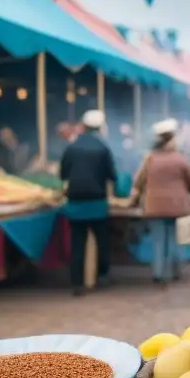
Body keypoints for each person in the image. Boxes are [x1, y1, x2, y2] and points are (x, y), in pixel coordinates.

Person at [131, 118, 190, 284]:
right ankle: (172, 271)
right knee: (172, 238)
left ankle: (158, 273)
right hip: (176, 205)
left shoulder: (149, 159)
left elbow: (139, 181)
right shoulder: (180, 159)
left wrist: (136, 197)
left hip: (154, 205)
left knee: (158, 239)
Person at [59, 110, 117, 295]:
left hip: (75, 202)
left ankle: (77, 283)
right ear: (100, 128)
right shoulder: (103, 148)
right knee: (102, 240)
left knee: (78, 243)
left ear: (83, 127)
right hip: (97, 201)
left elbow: (63, 174)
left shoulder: (71, 147)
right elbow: (112, 175)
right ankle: (102, 275)